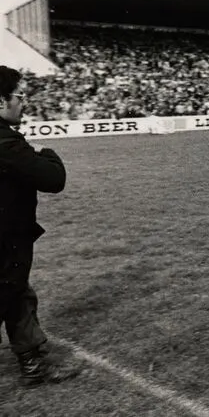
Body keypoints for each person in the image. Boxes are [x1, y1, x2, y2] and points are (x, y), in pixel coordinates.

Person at [0, 65, 80, 386]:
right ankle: (32, 363)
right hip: (6, 240)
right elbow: (53, 179)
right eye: (19, 96)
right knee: (11, 295)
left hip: (9, 239)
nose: (24, 102)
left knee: (19, 295)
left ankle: (32, 364)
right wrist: (44, 151)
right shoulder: (6, 143)